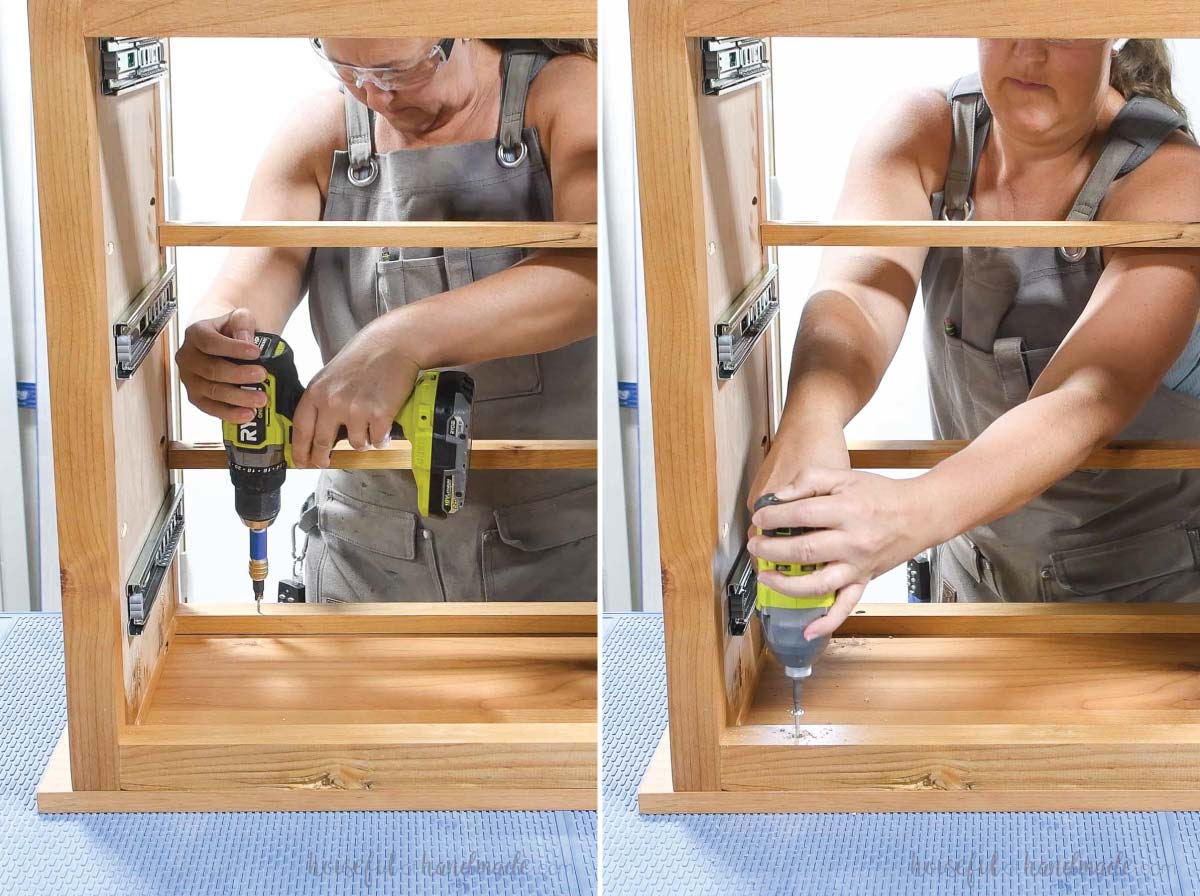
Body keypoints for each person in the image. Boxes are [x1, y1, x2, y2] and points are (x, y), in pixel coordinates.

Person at [748, 38, 1200, 633]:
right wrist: (811, 418)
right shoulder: (924, 129)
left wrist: (907, 515)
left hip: (1137, 607)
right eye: (1004, 14)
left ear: (1112, 30)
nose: (1028, 52)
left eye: (1058, 27)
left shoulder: (1174, 181)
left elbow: (1087, 397)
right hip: (970, 577)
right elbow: (861, 294)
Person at [176, 37, 597, 603]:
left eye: (399, 70)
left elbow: (594, 275)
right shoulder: (320, 129)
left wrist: (401, 340)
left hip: (564, 559)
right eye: (348, 69)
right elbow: (247, 283)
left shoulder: (568, 93)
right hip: (364, 560)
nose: (373, 94)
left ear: (463, 27)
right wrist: (218, 342)